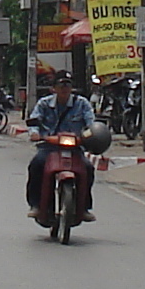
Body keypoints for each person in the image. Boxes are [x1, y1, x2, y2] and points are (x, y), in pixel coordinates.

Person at [24, 74, 97, 227]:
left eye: (67, 85)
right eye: (61, 85)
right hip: (49, 148)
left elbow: (91, 124)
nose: (64, 89)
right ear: (54, 88)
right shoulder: (44, 104)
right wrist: (35, 133)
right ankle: (36, 205)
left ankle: (84, 207)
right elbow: (34, 121)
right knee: (36, 165)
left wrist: (92, 135)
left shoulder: (82, 104)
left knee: (88, 168)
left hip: (75, 148)